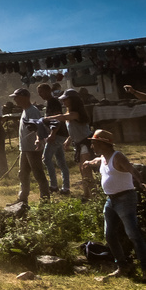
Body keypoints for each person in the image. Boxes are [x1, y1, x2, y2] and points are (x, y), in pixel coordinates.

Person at [83, 129, 146, 279]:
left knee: (133, 235)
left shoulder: (118, 157)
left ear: (103, 144)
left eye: (93, 143)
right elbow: (96, 161)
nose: (92, 147)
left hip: (125, 199)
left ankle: (145, 268)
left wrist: (141, 182)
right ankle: (122, 265)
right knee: (109, 234)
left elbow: (131, 169)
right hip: (110, 200)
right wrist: (88, 162)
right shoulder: (104, 157)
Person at [10, 88, 50, 205]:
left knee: (38, 174)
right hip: (25, 148)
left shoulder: (32, 111)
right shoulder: (25, 110)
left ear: (24, 97)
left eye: (16, 97)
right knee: (22, 173)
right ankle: (22, 199)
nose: (15, 100)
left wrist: (38, 140)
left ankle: (45, 200)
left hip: (33, 148)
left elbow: (38, 127)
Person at [37, 83, 71, 196]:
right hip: (57, 134)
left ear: (48, 91)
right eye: (39, 93)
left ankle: (53, 185)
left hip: (58, 134)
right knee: (61, 161)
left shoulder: (53, 102)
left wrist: (52, 134)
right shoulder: (49, 102)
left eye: (41, 92)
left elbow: (57, 120)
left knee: (46, 158)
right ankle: (66, 187)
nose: (40, 95)